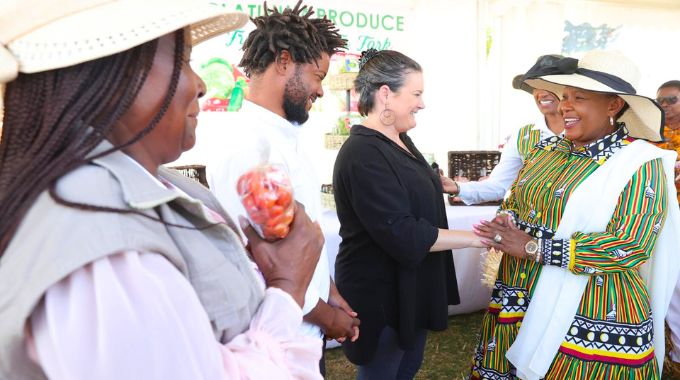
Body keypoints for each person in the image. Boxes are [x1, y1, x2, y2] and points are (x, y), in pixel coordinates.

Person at [0, 1, 329, 379]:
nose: (201, 84)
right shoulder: (98, 239)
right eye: (184, 58)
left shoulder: (151, 187)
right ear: (118, 73)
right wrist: (287, 289)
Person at [471, 50, 680, 379]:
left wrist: (534, 247)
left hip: (591, 313)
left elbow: (631, 244)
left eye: (578, 97)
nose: (565, 105)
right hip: (519, 295)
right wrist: (506, 221)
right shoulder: (546, 150)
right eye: (564, 96)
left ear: (614, 105)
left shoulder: (641, 162)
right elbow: (516, 203)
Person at [204, 1, 359, 374]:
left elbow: (300, 238)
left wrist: (329, 290)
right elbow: (264, 261)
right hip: (274, 341)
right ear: (285, 62)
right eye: (318, 76)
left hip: (300, 329)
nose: (320, 91)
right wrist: (328, 318)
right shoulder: (251, 147)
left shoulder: (283, 134)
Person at [332, 48, 484, 379]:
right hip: (381, 292)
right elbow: (401, 231)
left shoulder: (401, 139)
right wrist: (477, 239)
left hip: (410, 285)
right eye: (416, 93)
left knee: (406, 368)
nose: (422, 103)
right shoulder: (362, 152)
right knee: (384, 371)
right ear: (386, 94)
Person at [444, 55, 565, 205]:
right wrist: (455, 187)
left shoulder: (590, 133)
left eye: (550, 85)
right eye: (536, 86)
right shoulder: (523, 136)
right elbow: (497, 186)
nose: (542, 93)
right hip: (528, 227)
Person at [655, 80, 680, 377]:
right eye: (660, 101)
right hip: (660, 218)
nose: (664, 106)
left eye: (671, 100)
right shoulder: (651, 135)